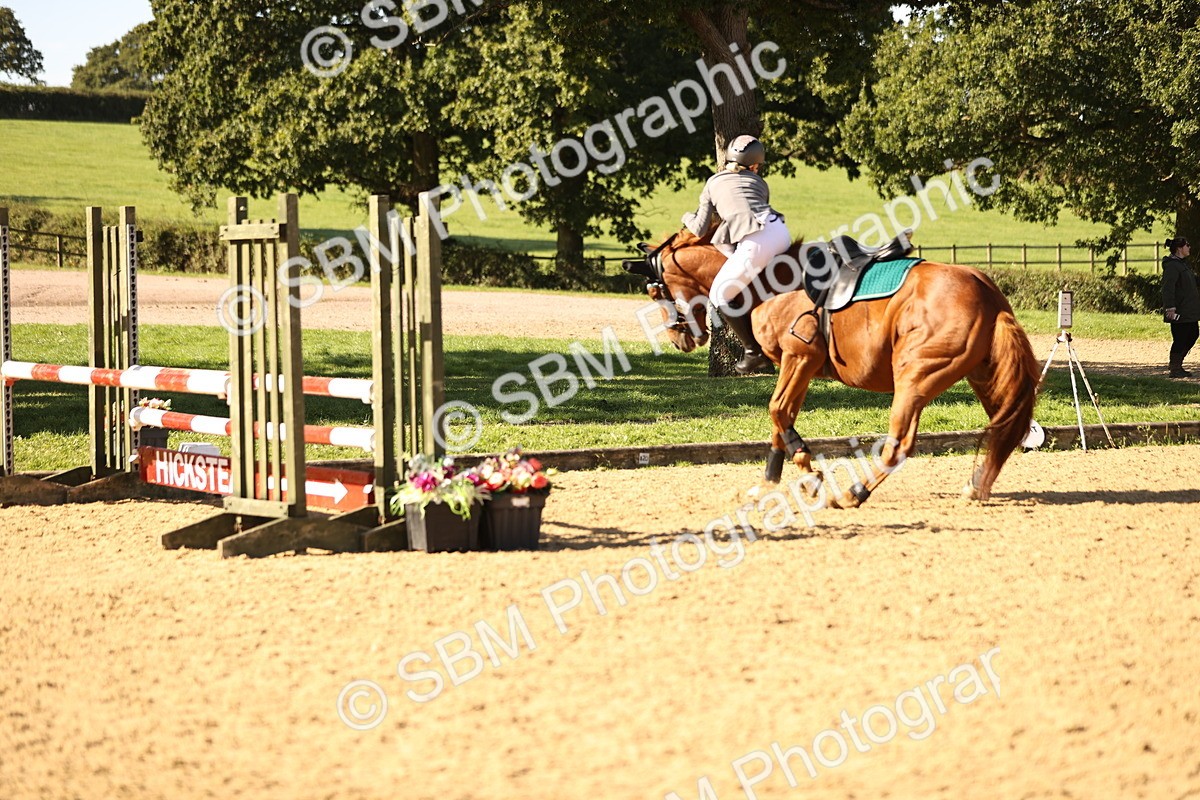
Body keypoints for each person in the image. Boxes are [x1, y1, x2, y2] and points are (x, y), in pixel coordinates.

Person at [682, 134, 791, 375]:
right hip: (781, 232)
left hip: (757, 240)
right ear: (754, 165)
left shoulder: (712, 183)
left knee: (720, 294)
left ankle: (753, 353)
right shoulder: (760, 183)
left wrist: (685, 217)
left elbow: (700, 228)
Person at [1162, 236, 1199, 378]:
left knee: (1193, 334)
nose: (1189, 247)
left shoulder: (1182, 264)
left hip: (1189, 310)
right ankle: (1175, 367)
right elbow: (1168, 288)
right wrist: (1170, 307)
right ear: (1179, 248)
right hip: (1180, 309)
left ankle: (1178, 364)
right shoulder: (1172, 266)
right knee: (1180, 338)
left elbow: (1191, 280)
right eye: (1187, 245)